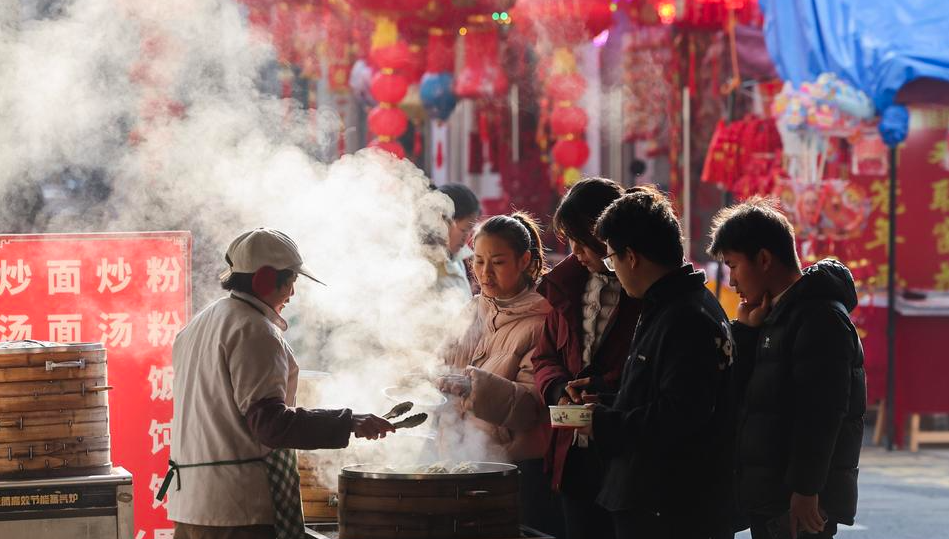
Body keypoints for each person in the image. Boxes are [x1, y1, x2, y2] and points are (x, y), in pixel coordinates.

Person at [162, 228, 395, 539]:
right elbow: (270, 425)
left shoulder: (197, 326)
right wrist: (349, 421)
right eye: (291, 281)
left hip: (190, 505)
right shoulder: (254, 329)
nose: (293, 293)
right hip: (238, 512)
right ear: (266, 280)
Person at [707, 198, 866, 539]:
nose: (732, 281)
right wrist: (746, 331)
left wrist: (806, 490)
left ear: (764, 259)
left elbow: (822, 413)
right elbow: (750, 395)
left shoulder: (819, 317)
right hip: (772, 492)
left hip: (797, 501)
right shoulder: (778, 315)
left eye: (733, 266)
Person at [588, 186, 735, 539]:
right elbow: (658, 391)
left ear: (631, 257)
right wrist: (603, 401)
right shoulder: (672, 304)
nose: (613, 269)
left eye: (611, 259)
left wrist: (603, 423)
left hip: (669, 505)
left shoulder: (686, 317)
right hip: (658, 498)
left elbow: (681, 415)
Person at [436, 213, 562, 536]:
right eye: (478, 261)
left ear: (524, 261)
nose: (484, 273)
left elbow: (531, 406)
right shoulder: (474, 309)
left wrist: (473, 387)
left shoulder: (542, 321)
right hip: (461, 460)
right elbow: (443, 362)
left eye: (498, 262)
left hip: (512, 470)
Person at [531, 178, 642, 539]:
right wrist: (559, 389)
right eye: (571, 241)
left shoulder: (643, 287)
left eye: (582, 240)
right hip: (573, 453)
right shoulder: (567, 286)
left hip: (626, 452)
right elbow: (545, 357)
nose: (576, 251)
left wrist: (601, 389)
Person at [436, 183, 481, 299]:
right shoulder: (422, 266)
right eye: (464, 230)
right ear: (443, 222)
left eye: (470, 231)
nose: (467, 237)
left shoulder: (457, 259)